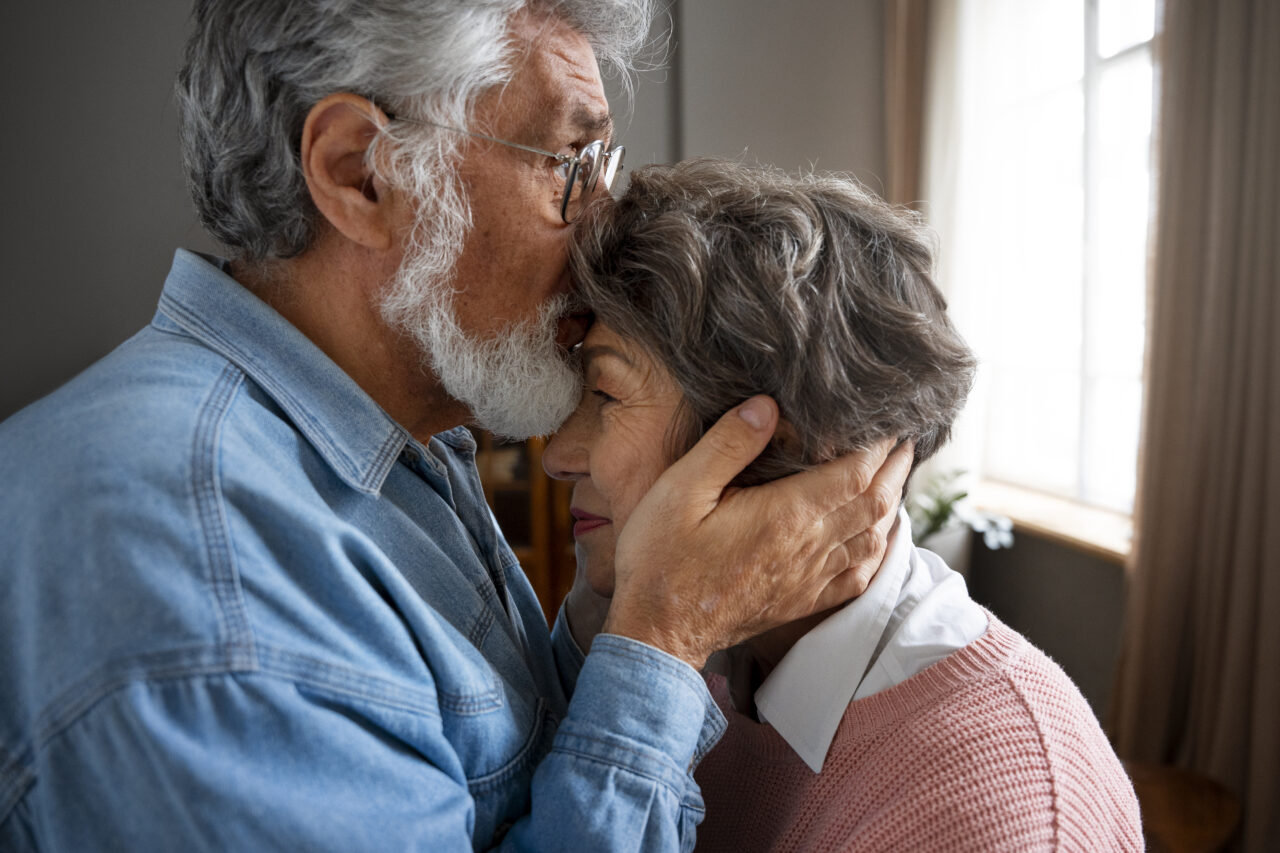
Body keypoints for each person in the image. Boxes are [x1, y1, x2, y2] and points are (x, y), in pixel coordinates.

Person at [0, 3, 910, 850]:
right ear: (362, 171)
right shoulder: (203, 580)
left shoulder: (392, 437)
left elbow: (484, 756)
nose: (602, 226)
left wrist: (615, 617)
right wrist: (667, 634)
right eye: (569, 163)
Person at [545, 158, 1144, 851]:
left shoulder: (1004, 821)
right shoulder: (691, 654)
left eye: (607, 395)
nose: (557, 452)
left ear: (780, 444)